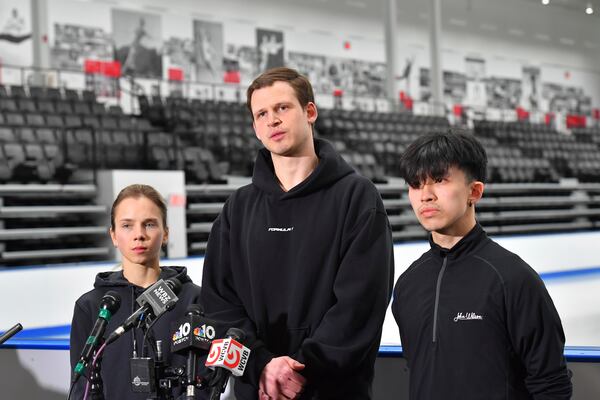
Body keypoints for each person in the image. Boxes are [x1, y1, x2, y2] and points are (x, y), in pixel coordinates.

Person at [201, 67, 394, 399]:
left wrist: (299, 370)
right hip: (256, 390)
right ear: (255, 128)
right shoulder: (238, 208)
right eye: (262, 113)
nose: (273, 120)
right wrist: (259, 364)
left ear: (310, 112)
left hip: (331, 391)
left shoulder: (357, 197)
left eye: (282, 108)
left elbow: (360, 304)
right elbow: (219, 303)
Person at [391, 131, 572, 399]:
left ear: (474, 191)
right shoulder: (407, 285)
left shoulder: (513, 279)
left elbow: (551, 384)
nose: (425, 195)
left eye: (439, 180)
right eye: (416, 184)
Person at [70, 184, 203, 399]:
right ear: (113, 235)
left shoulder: (193, 299)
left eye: (149, 224)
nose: (139, 235)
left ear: (166, 233)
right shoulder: (91, 306)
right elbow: (82, 387)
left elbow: (202, 384)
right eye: (127, 226)